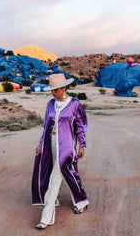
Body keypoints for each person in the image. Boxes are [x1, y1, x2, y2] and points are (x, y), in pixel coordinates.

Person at [31, 73, 89, 229]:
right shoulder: (51, 104)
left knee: (54, 178)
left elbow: (81, 127)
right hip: (51, 145)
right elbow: (46, 126)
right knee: (69, 173)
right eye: (52, 89)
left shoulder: (75, 104)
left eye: (56, 89)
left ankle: (46, 217)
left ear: (64, 87)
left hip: (68, 146)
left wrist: (82, 145)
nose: (53, 92)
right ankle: (81, 200)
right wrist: (41, 143)